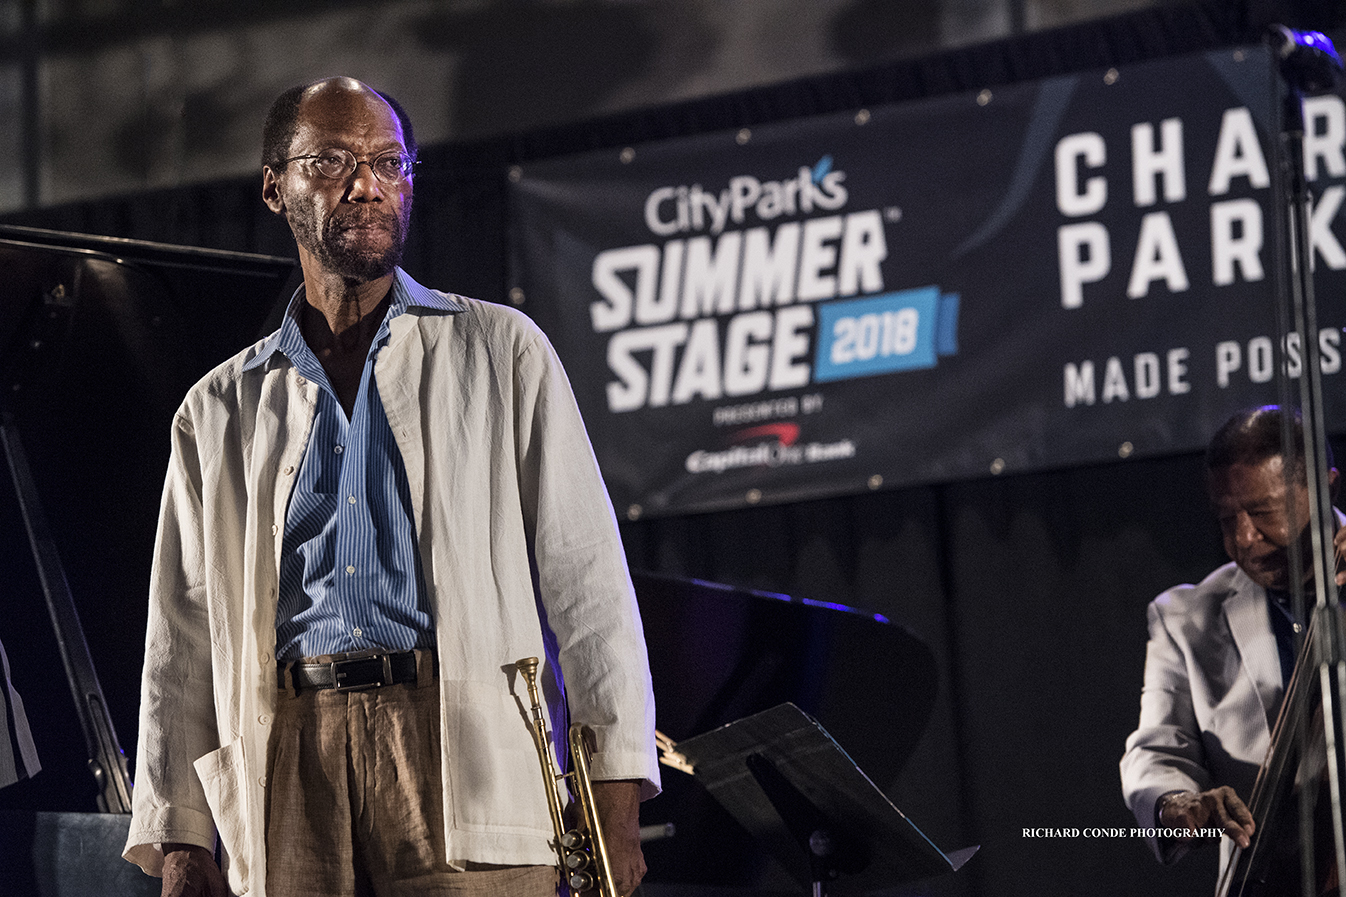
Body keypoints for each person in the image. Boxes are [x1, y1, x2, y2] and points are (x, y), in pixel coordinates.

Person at [122, 77, 659, 897]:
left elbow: (590, 589)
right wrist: (180, 836)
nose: (367, 184)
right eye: (332, 161)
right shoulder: (217, 408)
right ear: (276, 188)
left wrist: (617, 807)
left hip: (459, 743)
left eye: (388, 162)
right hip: (285, 756)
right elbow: (181, 642)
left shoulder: (501, 351)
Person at [1120, 405, 1344, 881]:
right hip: (1266, 879)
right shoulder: (1184, 617)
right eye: (1227, 518)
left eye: (1265, 512)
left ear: (1326, 487)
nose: (1245, 538)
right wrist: (1177, 803)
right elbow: (1157, 750)